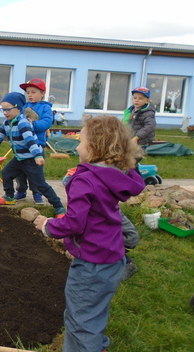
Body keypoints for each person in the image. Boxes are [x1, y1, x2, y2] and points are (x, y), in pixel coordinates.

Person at [34, 115, 145, 352]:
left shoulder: (84, 180)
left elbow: (74, 223)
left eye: (81, 141)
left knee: (80, 319)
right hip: (114, 260)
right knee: (96, 308)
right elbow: (134, 176)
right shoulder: (117, 175)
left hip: (91, 265)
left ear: (95, 146)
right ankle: (98, 345)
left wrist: (47, 225)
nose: (76, 146)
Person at [0, 91, 66, 217]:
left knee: (40, 185)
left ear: (18, 109)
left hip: (32, 158)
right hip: (19, 158)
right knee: (6, 173)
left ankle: (59, 206)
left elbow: (30, 140)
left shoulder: (23, 123)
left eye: (8, 110)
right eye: (3, 110)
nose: (5, 113)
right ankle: (9, 196)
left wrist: (38, 156)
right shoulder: (6, 123)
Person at [122, 86, 156, 277]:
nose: (136, 100)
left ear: (146, 101)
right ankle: (132, 180)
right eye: (134, 97)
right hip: (131, 139)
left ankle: (134, 184)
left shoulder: (148, 112)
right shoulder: (132, 110)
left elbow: (149, 127)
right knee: (129, 164)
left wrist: (136, 137)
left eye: (139, 98)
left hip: (140, 142)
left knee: (131, 163)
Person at [15, 78, 53, 205]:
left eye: (33, 92)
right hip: (23, 145)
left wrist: (33, 124)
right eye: (28, 92)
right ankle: (21, 191)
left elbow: (47, 122)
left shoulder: (46, 108)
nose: (30, 94)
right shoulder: (24, 106)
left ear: (42, 93)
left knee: (35, 172)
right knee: (20, 170)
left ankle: (37, 193)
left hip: (37, 146)